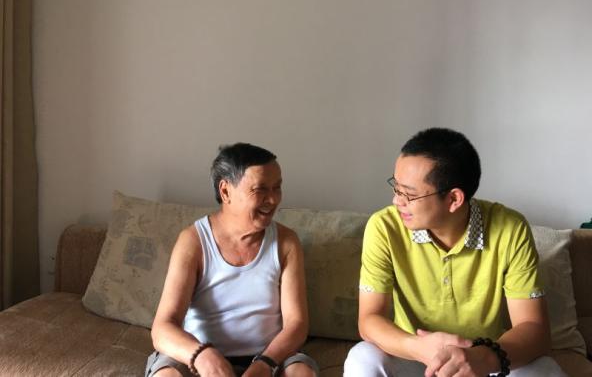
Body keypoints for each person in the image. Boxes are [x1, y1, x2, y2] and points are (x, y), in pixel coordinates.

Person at [344, 128, 566, 377]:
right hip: (414, 358)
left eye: (409, 194)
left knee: (545, 370)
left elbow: (534, 329)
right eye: (396, 188)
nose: (397, 201)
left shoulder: (510, 229)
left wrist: (483, 357)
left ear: (454, 199)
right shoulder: (384, 227)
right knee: (363, 357)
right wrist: (416, 347)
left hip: (483, 362)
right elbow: (369, 320)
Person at [146, 143, 319, 377]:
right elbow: (163, 328)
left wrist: (265, 363)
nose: (272, 199)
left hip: (271, 356)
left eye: (277, 188)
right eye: (260, 189)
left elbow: (296, 324)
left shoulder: (286, 242)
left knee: (302, 372)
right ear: (226, 191)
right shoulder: (194, 241)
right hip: (200, 356)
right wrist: (202, 356)